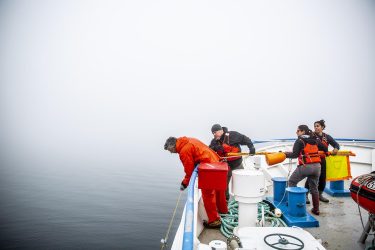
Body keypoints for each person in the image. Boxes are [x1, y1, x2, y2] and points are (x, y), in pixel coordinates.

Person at [164, 136, 228, 228]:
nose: (171, 152)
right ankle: (223, 211)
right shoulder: (189, 140)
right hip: (216, 162)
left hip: (208, 167)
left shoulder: (184, 151)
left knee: (207, 194)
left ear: (172, 146)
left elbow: (189, 171)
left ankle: (215, 221)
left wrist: (184, 183)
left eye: (169, 150)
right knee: (219, 189)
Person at [284, 125, 328, 215]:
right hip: (317, 167)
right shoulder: (315, 139)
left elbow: (295, 155)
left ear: (303, 131)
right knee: (314, 188)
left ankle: (294, 204)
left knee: (292, 182)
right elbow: (325, 148)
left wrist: (285, 155)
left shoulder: (299, 140)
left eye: (298, 131)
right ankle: (316, 209)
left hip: (305, 167)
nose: (296, 132)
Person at [209, 124, 255, 200]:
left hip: (237, 164)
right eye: (213, 133)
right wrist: (216, 148)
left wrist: (252, 148)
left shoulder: (233, 135)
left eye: (215, 132)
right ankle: (226, 200)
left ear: (221, 131)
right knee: (224, 185)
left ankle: (243, 199)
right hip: (225, 166)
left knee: (242, 182)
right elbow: (210, 150)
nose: (214, 135)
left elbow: (246, 139)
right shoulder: (214, 142)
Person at [305, 119, 340, 204]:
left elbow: (336, 144)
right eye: (315, 126)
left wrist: (336, 149)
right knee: (311, 177)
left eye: (318, 126)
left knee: (322, 177)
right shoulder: (311, 136)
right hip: (313, 159)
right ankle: (305, 195)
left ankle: (320, 194)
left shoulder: (327, 137)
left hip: (322, 160)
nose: (316, 128)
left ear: (322, 127)